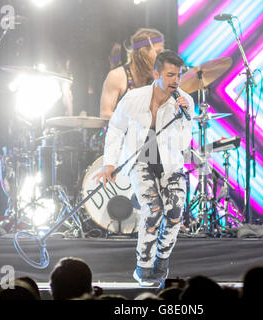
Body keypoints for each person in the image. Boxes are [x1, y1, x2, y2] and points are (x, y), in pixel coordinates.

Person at [94, 50, 194, 287]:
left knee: (175, 213)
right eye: (170, 75)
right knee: (153, 210)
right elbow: (116, 128)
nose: (175, 80)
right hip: (141, 160)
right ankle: (143, 266)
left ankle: (162, 260)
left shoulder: (185, 102)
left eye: (178, 75)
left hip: (170, 162)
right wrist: (110, 163)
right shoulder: (133, 98)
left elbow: (182, 145)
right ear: (156, 73)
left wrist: (183, 118)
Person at [99, 28, 165, 120]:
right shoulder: (117, 76)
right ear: (144, 52)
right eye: (158, 52)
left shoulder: (155, 79)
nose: (161, 57)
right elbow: (105, 113)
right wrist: (134, 121)